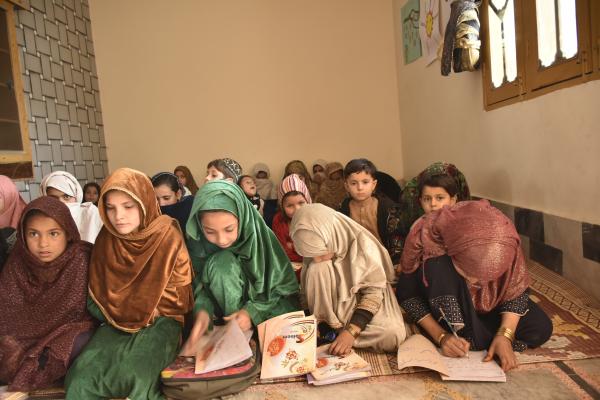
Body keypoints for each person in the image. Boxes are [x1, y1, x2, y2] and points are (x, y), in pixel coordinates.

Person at [65, 168, 194, 400]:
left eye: (128, 206)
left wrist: (141, 311)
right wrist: (120, 313)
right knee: (80, 379)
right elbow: (97, 292)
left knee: (138, 376)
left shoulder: (166, 233)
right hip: (114, 320)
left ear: (144, 202)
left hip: (160, 320)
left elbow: (180, 295)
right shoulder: (107, 237)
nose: (118, 216)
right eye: (111, 208)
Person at [397, 200, 553, 371]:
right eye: (472, 276)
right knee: (438, 268)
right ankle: (472, 336)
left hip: (491, 307)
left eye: (490, 278)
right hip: (448, 308)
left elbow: (516, 292)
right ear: (455, 255)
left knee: (540, 327)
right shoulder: (428, 243)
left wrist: (505, 335)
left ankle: (485, 338)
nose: (479, 284)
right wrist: (441, 336)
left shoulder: (506, 242)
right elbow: (409, 297)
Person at [181, 180, 299, 355]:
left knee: (286, 339)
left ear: (242, 217)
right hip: (225, 313)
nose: (221, 240)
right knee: (221, 263)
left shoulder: (259, 235)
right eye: (210, 231)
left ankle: (246, 333)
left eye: (229, 229)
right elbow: (200, 286)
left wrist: (251, 312)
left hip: (268, 304)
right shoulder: (198, 242)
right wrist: (203, 314)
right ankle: (238, 334)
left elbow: (281, 287)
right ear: (199, 226)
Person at [0, 197, 94, 391]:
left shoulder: (82, 259)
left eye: (53, 234)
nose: (43, 244)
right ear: (23, 236)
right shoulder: (17, 261)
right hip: (21, 338)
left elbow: (86, 314)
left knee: (77, 342)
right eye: (34, 234)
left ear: (67, 233)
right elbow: (6, 313)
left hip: (66, 334)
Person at [290, 204, 406, 356]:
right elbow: (307, 292)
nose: (316, 258)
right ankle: (325, 326)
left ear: (332, 234)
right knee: (316, 269)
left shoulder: (363, 245)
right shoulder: (313, 240)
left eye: (321, 252)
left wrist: (351, 332)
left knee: (392, 334)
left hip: (364, 305)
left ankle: (337, 334)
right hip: (332, 310)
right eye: (312, 254)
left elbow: (373, 294)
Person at [340, 159, 404, 265]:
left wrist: (396, 262)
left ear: (373, 185)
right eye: (353, 183)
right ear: (346, 186)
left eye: (365, 182)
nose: (360, 188)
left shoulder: (388, 209)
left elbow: (396, 238)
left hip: (383, 260)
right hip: (354, 261)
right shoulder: (343, 208)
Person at [399, 162, 470, 231]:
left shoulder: (462, 226)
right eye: (427, 199)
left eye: (440, 198)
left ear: (452, 200)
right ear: (420, 202)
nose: (433, 204)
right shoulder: (416, 228)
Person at [40, 171, 103, 243]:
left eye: (66, 197)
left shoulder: (90, 213)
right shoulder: (39, 219)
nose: (62, 203)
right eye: (53, 199)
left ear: (76, 196)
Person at [271, 174, 312, 280]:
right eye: (290, 205)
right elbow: (280, 251)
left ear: (308, 200)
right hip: (287, 266)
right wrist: (299, 250)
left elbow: (315, 253)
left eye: (301, 203)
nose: (297, 209)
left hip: (312, 266)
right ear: (282, 207)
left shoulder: (315, 219)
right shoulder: (278, 220)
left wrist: (293, 246)